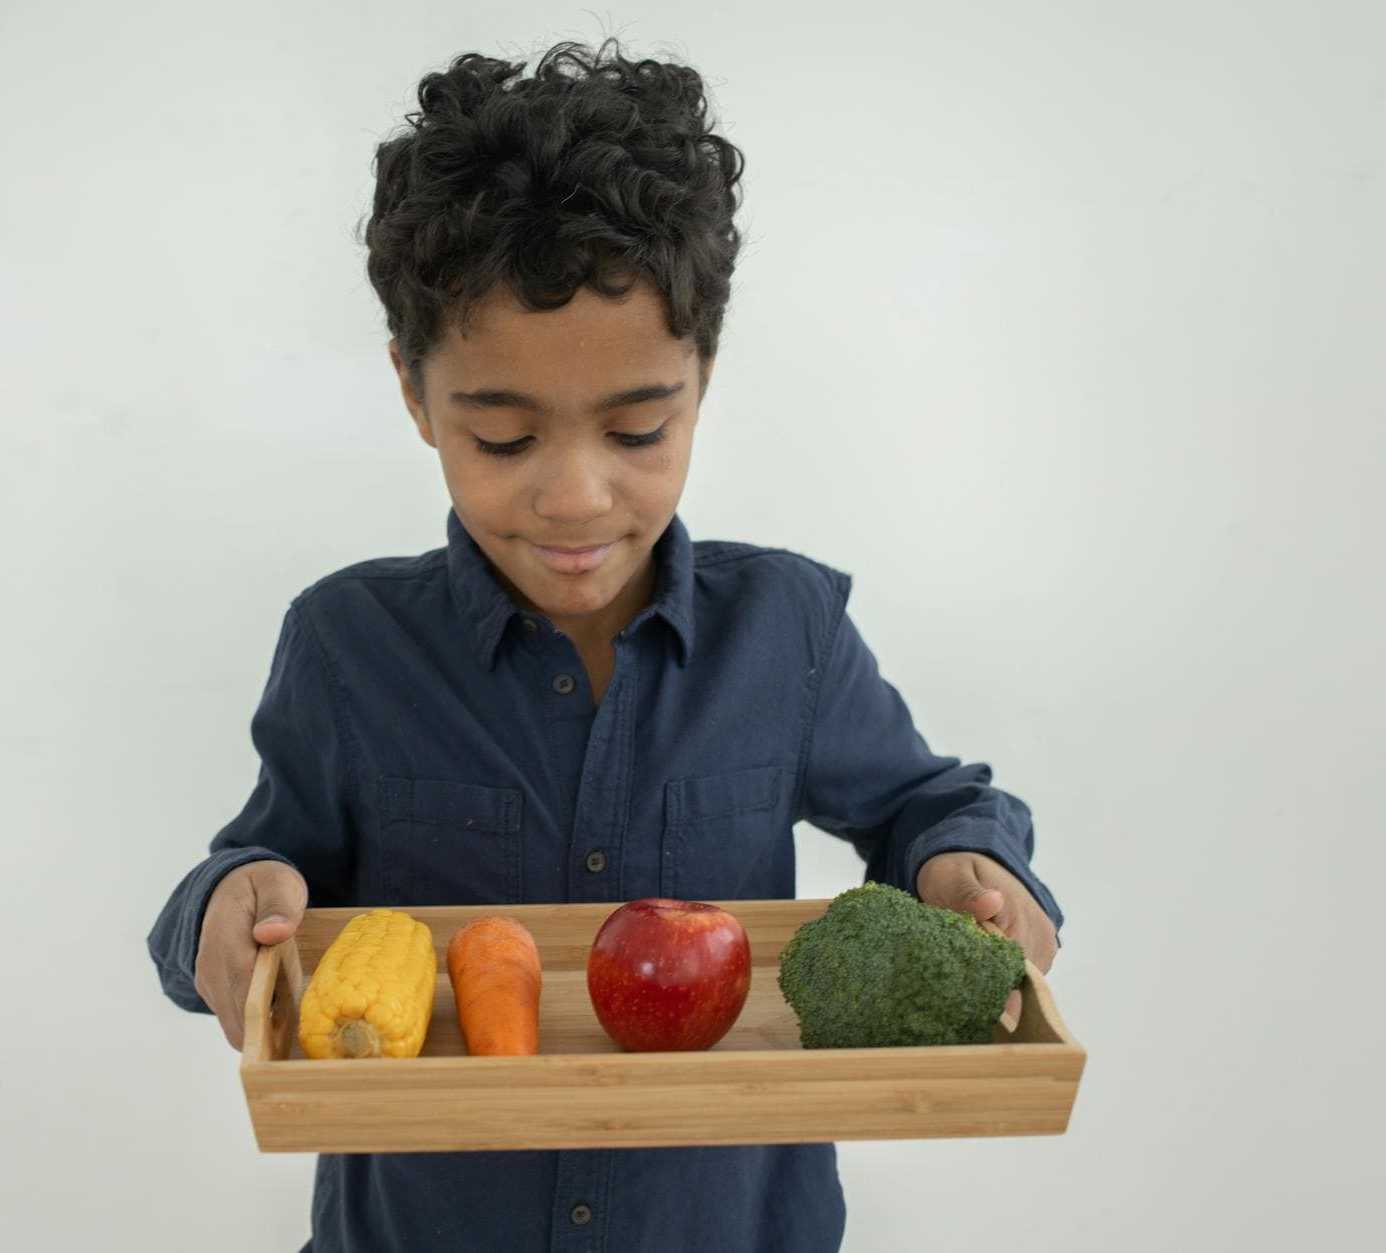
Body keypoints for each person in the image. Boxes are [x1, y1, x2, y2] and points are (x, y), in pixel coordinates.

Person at [147, 38, 1064, 1252]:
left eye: (637, 428)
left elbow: (925, 803)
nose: (576, 498)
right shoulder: (344, 646)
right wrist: (226, 901)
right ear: (415, 396)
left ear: (701, 380)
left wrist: (963, 864)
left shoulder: (785, 629)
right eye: (504, 438)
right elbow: (257, 870)